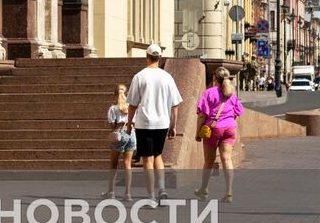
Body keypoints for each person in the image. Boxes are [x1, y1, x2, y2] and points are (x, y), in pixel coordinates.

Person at [126, 43, 181, 202]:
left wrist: (129, 124)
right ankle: (162, 189)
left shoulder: (140, 76)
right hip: (162, 123)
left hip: (144, 123)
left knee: (147, 160)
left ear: (147, 57)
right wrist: (174, 125)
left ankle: (151, 196)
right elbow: (175, 104)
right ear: (160, 58)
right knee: (158, 156)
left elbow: (132, 105)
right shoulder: (167, 77)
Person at [194, 66, 244, 203]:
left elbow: (202, 115)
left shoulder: (209, 93)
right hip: (230, 128)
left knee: (209, 161)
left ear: (214, 78)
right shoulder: (231, 94)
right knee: (227, 159)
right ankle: (229, 193)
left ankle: (203, 190)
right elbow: (238, 112)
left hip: (213, 129)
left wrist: (198, 132)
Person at [102, 83, 136, 200]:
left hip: (119, 134)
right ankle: (128, 193)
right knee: (127, 164)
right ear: (126, 94)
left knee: (114, 164)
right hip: (131, 133)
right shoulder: (130, 107)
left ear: (115, 94)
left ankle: (111, 192)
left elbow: (112, 125)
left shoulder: (113, 108)